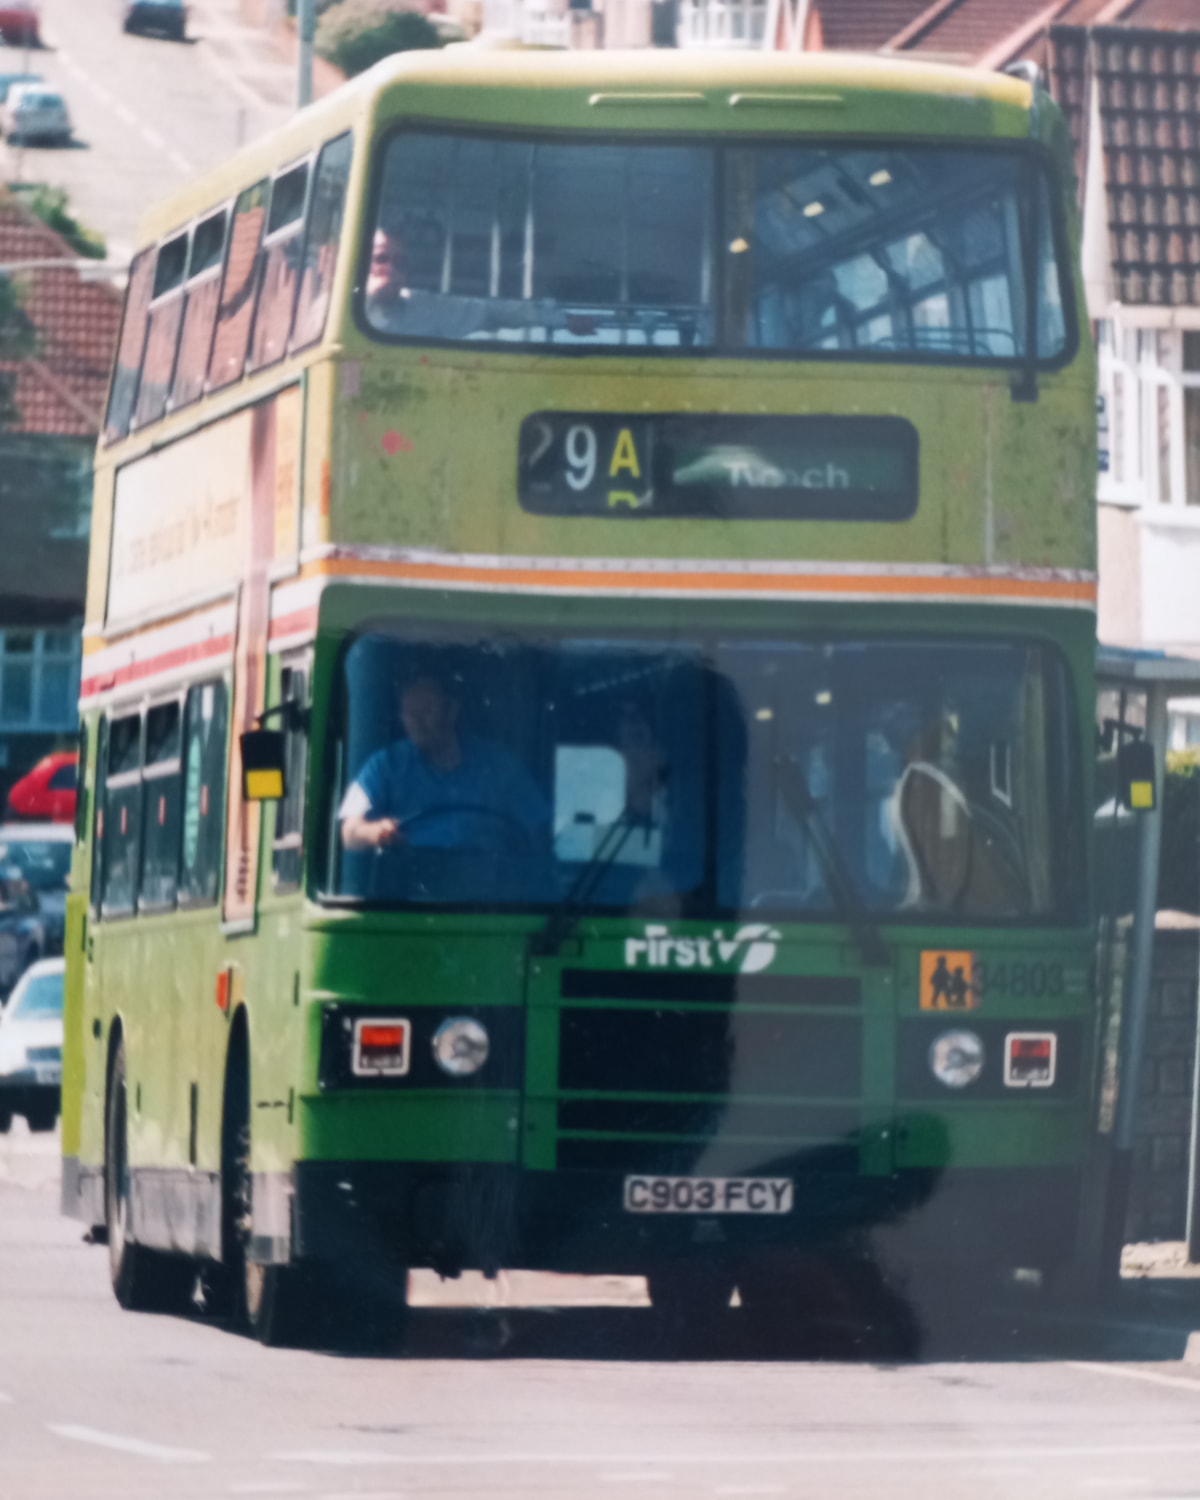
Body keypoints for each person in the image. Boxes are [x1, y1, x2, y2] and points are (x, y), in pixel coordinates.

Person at [339, 674, 549, 855]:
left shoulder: (500, 766)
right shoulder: (384, 765)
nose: (417, 722)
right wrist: (374, 833)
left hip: (489, 886)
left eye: (427, 712)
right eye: (409, 713)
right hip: (408, 889)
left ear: (452, 712)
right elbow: (349, 833)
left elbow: (538, 830)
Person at [364, 225, 562, 342]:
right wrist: (371, 296)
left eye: (400, 262)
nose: (391, 268)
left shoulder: (423, 308)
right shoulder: (336, 307)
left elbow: (489, 311)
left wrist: (560, 319)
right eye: (381, 258)